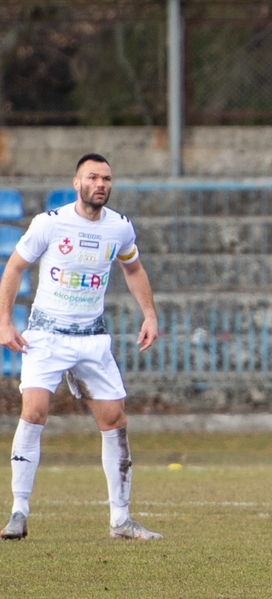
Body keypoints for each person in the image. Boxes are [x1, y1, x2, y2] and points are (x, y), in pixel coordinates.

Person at [0, 153, 162, 541]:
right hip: (46, 335)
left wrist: (150, 315)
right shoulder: (50, 224)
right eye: (93, 177)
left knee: (114, 420)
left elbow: (133, 269)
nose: (101, 184)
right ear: (77, 183)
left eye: (106, 178)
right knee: (35, 411)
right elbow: (15, 268)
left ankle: (121, 521)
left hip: (91, 338)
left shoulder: (119, 228)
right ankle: (18, 512)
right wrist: (5, 321)